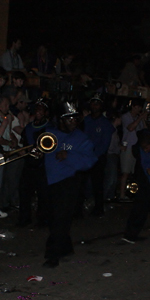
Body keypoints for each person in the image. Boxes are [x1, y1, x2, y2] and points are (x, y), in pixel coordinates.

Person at [43, 102, 97, 268]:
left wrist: (69, 155)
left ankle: (53, 255)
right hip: (50, 180)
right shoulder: (50, 133)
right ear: (60, 120)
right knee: (53, 218)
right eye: (69, 119)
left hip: (69, 182)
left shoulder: (81, 138)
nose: (74, 121)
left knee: (61, 218)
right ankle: (66, 248)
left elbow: (90, 161)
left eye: (75, 118)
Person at [18, 98, 51, 226]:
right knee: (24, 192)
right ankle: (24, 219)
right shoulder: (28, 127)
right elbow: (24, 143)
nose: (38, 111)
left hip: (43, 165)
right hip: (29, 163)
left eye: (41, 109)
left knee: (43, 194)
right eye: (37, 108)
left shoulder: (50, 127)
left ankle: (42, 220)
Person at [82, 93, 116, 216]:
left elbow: (104, 144)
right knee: (82, 183)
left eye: (97, 103)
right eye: (93, 103)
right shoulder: (85, 121)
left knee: (98, 184)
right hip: (84, 157)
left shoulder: (105, 123)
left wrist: (94, 156)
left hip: (97, 158)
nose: (95, 105)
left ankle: (98, 208)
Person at [118, 100, 148, 201]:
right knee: (125, 172)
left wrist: (143, 119)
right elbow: (130, 128)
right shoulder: (126, 116)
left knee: (135, 173)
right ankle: (121, 195)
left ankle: (132, 193)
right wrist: (140, 118)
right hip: (127, 147)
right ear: (134, 107)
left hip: (137, 148)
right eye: (138, 107)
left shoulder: (138, 119)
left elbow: (145, 130)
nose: (139, 110)